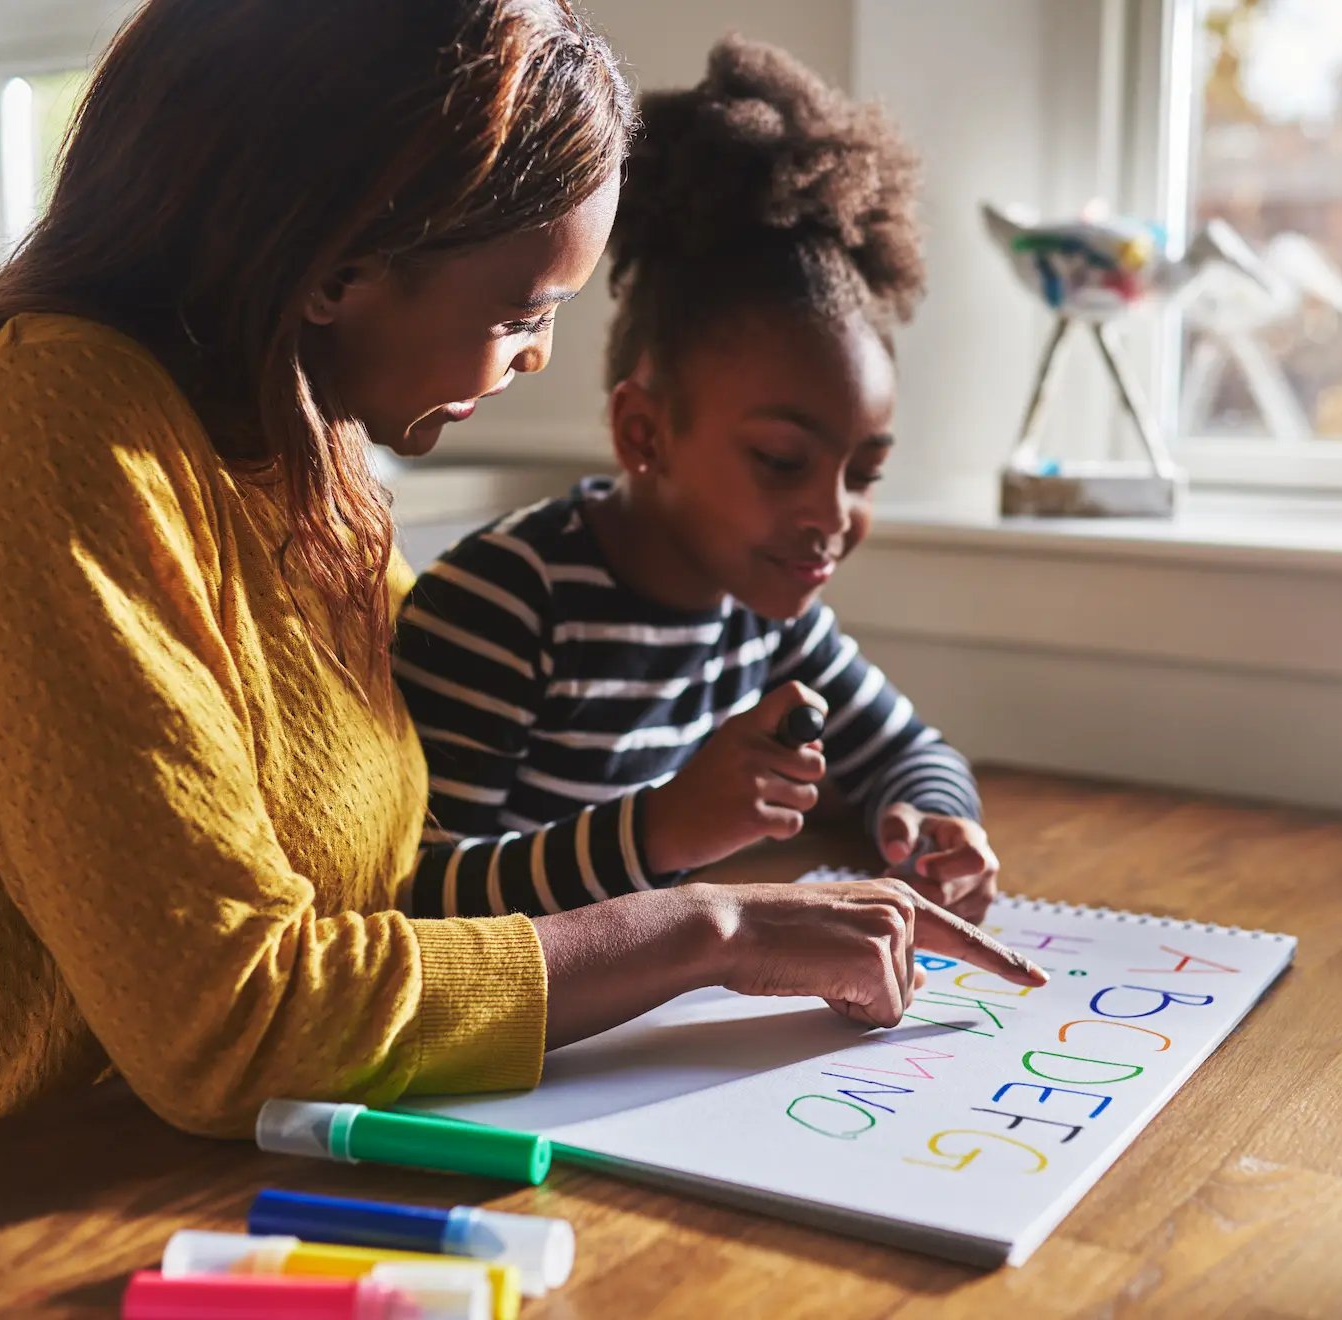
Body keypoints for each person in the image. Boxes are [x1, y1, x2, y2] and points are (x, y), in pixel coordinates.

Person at [0, 0, 1039, 1165]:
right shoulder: (56, 429)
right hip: (2, 1200)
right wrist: (713, 926)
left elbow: (395, 872)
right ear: (339, 266)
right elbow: (227, 1023)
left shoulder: (311, 445)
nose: (535, 358)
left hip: (291, 1151)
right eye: (523, 313)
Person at [397, 36, 1007, 934]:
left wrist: (930, 819)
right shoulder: (504, 609)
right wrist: (660, 831)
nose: (832, 518)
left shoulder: (770, 620)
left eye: (864, 472)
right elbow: (420, 900)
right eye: (781, 462)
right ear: (645, 433)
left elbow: (910, 751)